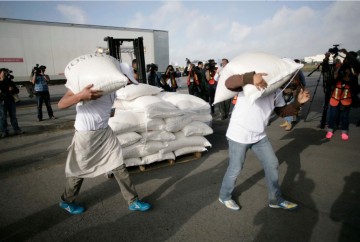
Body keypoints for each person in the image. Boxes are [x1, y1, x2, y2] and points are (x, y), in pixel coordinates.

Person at [58, 63, 151, 215]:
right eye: (126, 80)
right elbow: (61, 104)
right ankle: (66, 201)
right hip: (86, 135)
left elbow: (101, 106)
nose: (127, 84)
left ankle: (133, 201)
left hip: (104, 132)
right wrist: (81, 96)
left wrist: (108, 113)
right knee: (79, 170)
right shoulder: (90, 82)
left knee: (118, 165)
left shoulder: (113, 87)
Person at [218, 70, 310, 211]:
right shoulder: (248, 84)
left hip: (259, 136)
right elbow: (228, 83)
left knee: (272, 164)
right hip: (239, 135)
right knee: (235, 168)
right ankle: (224, 196)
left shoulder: (276, 91)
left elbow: (283, 112)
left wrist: (298, 103)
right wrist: (250, 77)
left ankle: (275, 199)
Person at [326, 51, 360, 141]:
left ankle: (344, 131)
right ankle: (330, 130)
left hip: (346, 99)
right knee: (332, 116)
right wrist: (335, 76)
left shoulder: (353, 72)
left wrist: (350, 79)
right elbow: (329, 84)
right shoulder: (337, 69)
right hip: (335, 98)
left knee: (345, 117)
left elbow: (356, 88)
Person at [0, 68, 23, 138]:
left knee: (13, 116)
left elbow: (17, 90)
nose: (5, 75)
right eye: (3, 73)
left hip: (11, 100)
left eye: (6, 73)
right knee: (3, 117)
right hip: (2, 101)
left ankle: (16, 129)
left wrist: (13, 89)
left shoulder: (10, 81)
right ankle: (4, 131)